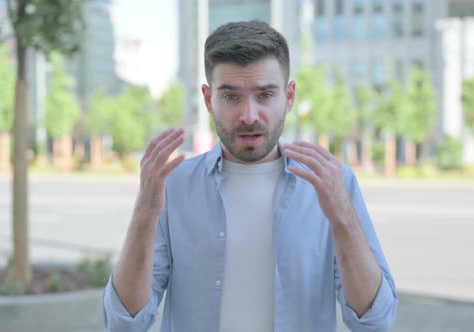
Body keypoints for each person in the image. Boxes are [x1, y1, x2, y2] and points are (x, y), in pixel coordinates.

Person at [103, 20, 398, 332]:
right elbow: (124, 323)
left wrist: (343, 220)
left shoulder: (333, 182)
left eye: (265, 95)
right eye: (231, 96)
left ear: (289, 96)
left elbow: (375, 322)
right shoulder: (173, 185)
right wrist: (144, 214)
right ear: (208, 99)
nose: (249, 115)